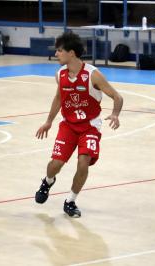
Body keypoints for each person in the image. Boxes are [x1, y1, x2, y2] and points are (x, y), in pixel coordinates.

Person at [34, 32, 123, 218]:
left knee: (84, 163)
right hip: (68, 125)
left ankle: (70, 201)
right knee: (55, 164)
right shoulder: (60, 74)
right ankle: (48, 181)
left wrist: (115, 114)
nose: (56, 54)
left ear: (71, 53)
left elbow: (117, 96)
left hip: (90, 125)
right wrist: (49, 121)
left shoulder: (93, 75)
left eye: (59, 50)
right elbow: (59, 98)